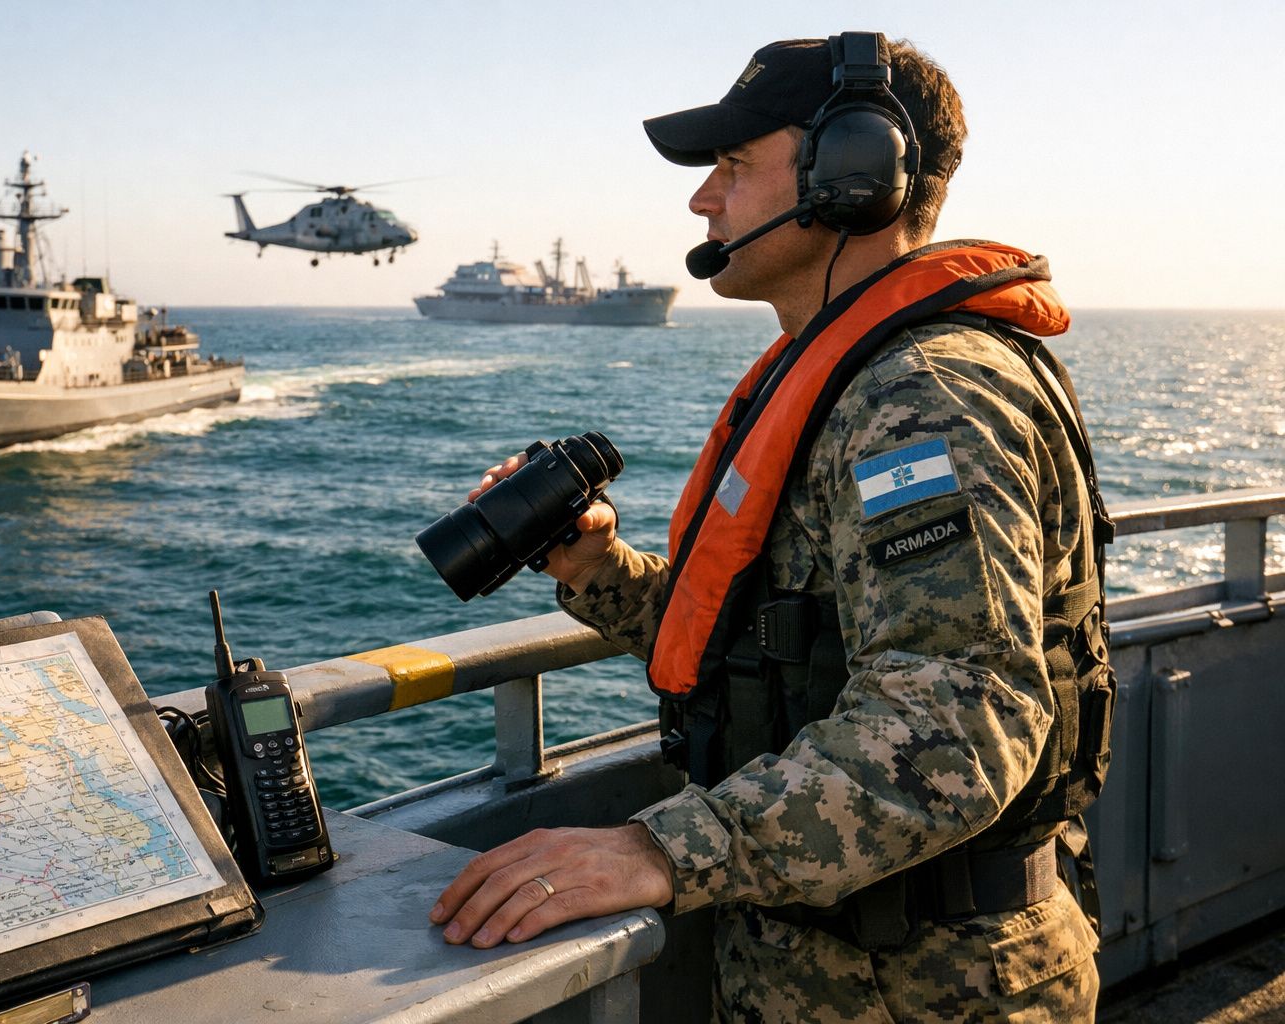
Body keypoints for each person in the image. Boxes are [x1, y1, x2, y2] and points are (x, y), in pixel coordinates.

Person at [430, 31, 1115, 1023]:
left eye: (734, 165)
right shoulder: (849, 377)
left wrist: (657, 847)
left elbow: (958, 726)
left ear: (853, 175)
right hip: (826, 969)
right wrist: (598, 568)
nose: (704, 199)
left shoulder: (922, 398)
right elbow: (782, 642)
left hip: (929, 991)